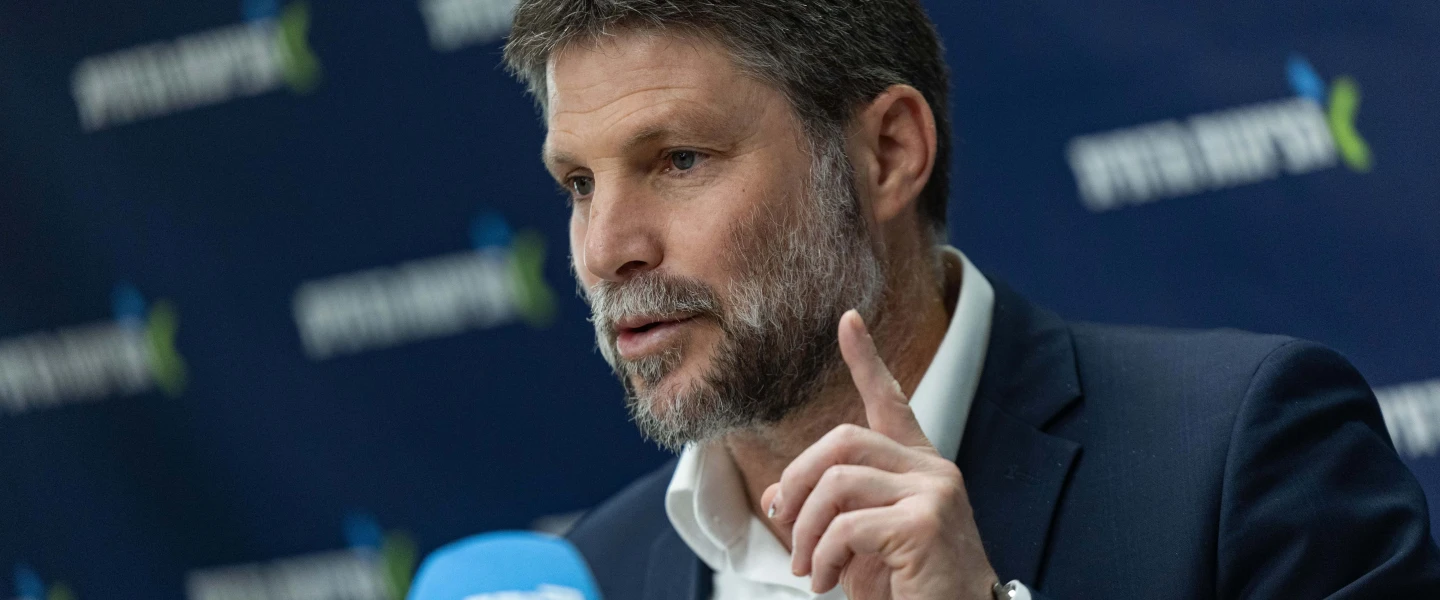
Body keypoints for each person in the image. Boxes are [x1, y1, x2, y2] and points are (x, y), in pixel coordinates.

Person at [500, 1, 1440, 598]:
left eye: (679, 160)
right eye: (579, 183)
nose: (608, 249)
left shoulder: (1241, 458)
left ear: (887, 155)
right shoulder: (597, 574)